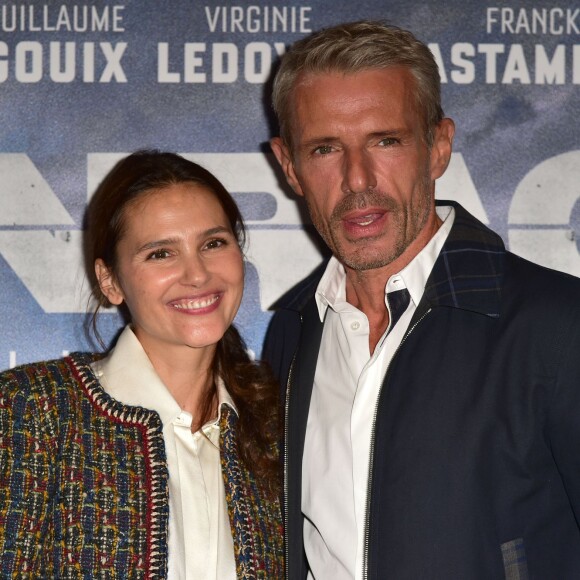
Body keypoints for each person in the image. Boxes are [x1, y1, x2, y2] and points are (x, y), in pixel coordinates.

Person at [264, 20, 580, 579]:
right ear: (290, 166)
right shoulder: (291, 335)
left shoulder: (557, 324)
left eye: (386, 141)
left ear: (437, 146)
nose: (357, 179)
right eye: (324, 149)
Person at [0, 150, 284, 578]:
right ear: (110, 281)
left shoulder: (273, 424)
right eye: (160, 254)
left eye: (213, 243)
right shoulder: (30, 410)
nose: (197, 274)